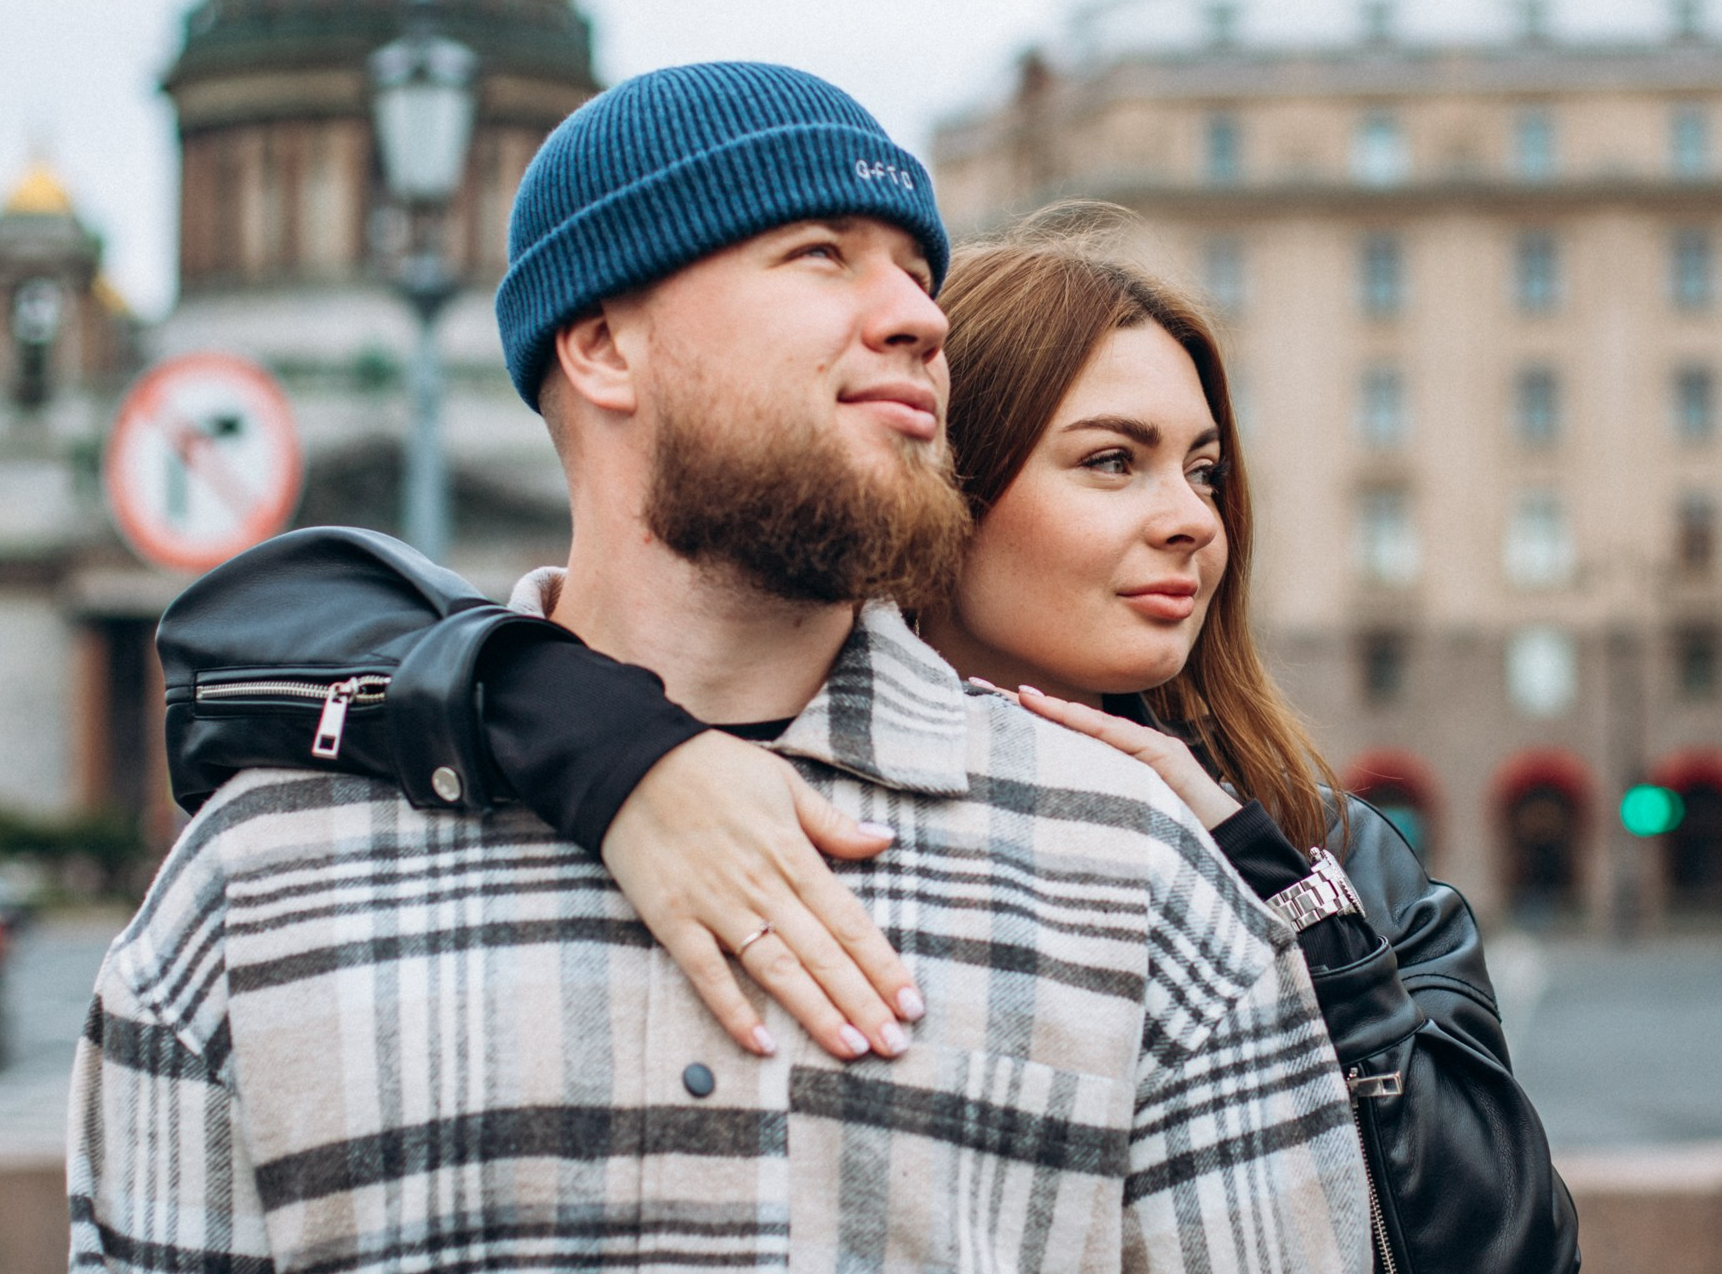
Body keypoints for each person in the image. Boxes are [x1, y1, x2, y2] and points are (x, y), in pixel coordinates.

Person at [68, 63, 1370, 1273]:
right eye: (822, 255)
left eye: (919, 273)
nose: (921, 318)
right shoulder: (257, 890)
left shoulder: (1134, 875)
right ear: (603, 345)